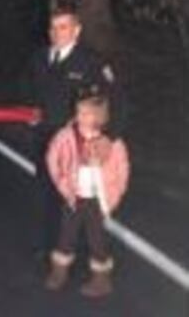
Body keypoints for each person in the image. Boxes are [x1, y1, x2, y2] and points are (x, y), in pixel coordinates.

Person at [24, 9, 122, 254]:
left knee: (72, 198)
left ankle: (70, 249)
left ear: (76, 30)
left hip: (75, 143)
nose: (57, 32)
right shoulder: (38, 58)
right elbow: (28, 92)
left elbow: (115, 100)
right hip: (43, 138)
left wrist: (107, 137)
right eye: (53, 27)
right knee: (44, 193)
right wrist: (28, 113)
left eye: (64, 26)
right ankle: (44, 244)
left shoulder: (91, 62)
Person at [43, 86, 129, 298]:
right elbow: (52, 158)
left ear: (101, 116)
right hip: (74, 197)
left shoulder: (112, 143)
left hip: (97, 201)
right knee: (66, 234)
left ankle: (102, 280)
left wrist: (113, 197)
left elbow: (122, 171)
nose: (80, 117)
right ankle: (59, 271)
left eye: (86, 113)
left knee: (96, 238)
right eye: (78, 112)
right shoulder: (66, 135)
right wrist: (63, 183)